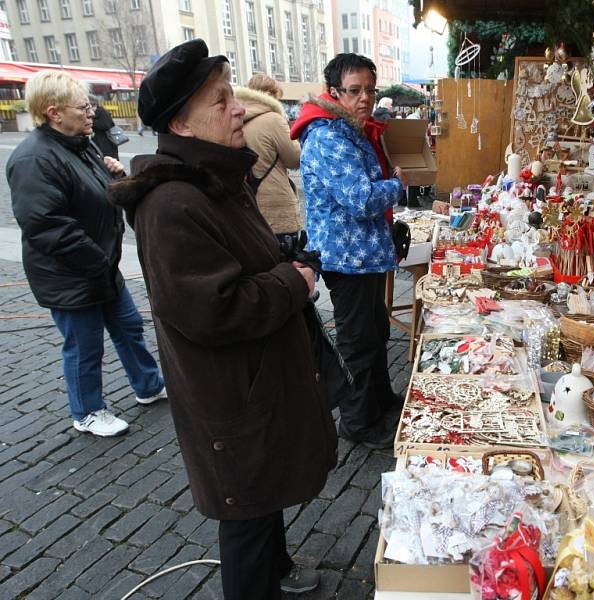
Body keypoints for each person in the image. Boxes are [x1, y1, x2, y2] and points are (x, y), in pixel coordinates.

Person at [107, 40, 336, 599]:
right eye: (220, 101)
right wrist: (294, 281)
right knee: (246, 517)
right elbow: (215, 308)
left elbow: (246, 261)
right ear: (181, 125)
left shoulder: (217, 182)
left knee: (264, 497)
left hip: (255, 381)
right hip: (231, 396)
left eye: (232, 95)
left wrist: (285, 261)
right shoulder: (172, 205)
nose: (238, 109)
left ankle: (277, 575)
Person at [6, 70, 166, 438]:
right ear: (54, 113)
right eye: (83, 107)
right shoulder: (34, 159)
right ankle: (88, 411)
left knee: (128, 328)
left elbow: (100, 198)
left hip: (101, 268)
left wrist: (115, 176)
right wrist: (97, 261)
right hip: (72, 275)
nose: (92, 112)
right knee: (84, 346)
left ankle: (148, 386)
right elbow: (48, 227)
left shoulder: (83, 144)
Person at [290, 53, 406, 450]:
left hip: (365, 253)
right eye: (355, 90)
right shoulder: (327, 136)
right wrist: (397, 184)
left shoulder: (349, 129)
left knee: (375, 331)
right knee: (358, 341)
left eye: (370, 90)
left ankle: (381, 398)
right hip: (346, 257)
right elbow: (360, 198)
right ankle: (357, 422)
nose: (365, 98)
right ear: (334, 92)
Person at [234, 74, 302, 238]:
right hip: (276, 208)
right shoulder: (273, 119)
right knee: (286, 259)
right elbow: (294, 159)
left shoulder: (236, 119)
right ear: (272, 95)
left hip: (247, 205)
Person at [89, 94, 119, 160]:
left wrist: (91, 123)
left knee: (108, 160)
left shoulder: (101, 111)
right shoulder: (95, 112)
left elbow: (106, 125)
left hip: (106, 142)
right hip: (99, 141)